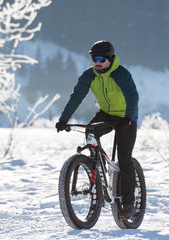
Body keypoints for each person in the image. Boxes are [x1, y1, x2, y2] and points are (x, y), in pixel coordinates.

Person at [55, 40, 139, 220]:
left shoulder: (121, 74)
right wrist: (63, 120)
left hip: (126, 117)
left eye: (101, 58)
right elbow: (76, 97)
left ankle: (129, 204)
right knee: (90, 133)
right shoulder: (89, 75)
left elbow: (133, 96)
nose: (97, 62)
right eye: (94, 58)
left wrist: (128, 118)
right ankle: (96, 165)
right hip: (107, 113)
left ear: (109, 59)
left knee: (124, 160)